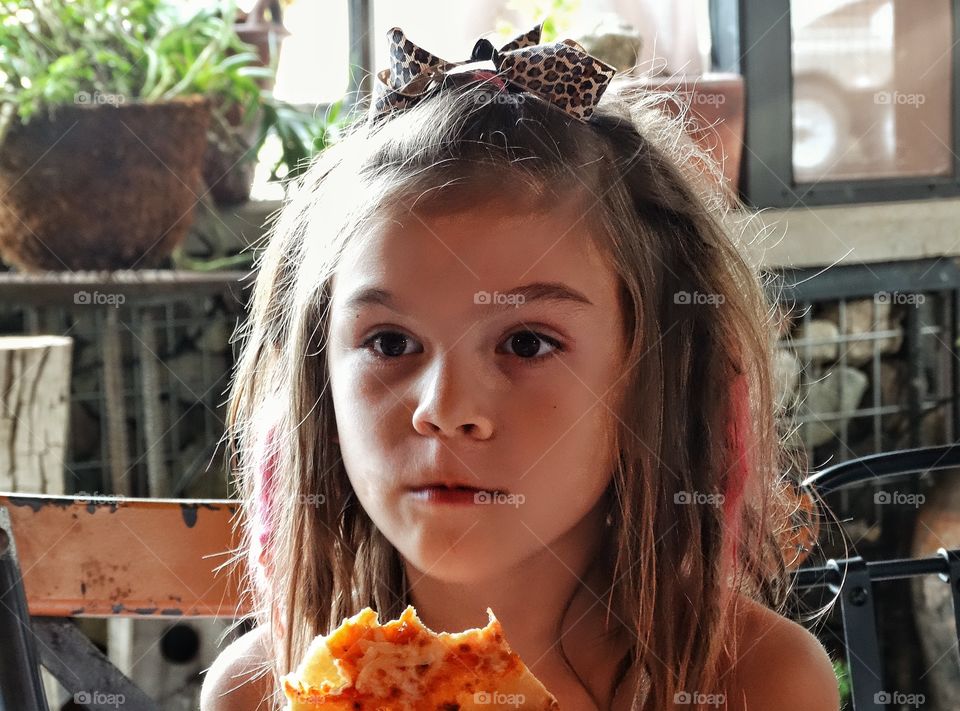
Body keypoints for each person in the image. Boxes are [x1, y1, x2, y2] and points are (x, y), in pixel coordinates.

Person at [201, 19, 839, 711]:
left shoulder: (757, 685)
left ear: (654, 374)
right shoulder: (258, 691)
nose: (445, 407)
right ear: (317, 383)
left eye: (527, 343)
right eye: (390, 343)